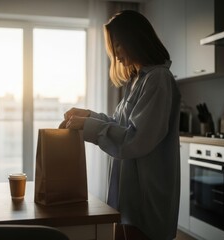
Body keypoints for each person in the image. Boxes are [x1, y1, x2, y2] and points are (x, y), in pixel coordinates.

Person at [60, 10, 181, 240]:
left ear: (134, 40)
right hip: (132, 199)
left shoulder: (158, 79)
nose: (115, 55)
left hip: (147, 199)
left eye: (117, 45)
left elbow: (135, 140)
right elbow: (119, 125)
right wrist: (88, 115)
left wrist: (87, 125)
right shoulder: (137, 80)